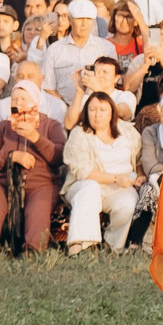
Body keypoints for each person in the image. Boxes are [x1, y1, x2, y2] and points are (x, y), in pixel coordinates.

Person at [0, 82, 65, 255]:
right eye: (14, 99)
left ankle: (33, 251)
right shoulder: (3, 127)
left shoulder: (50, 125)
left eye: (24, 98)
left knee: (39, 208)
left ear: (35, 101)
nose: (18, 102)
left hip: (42, 182)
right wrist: (12, 156)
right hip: (5, 182)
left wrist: (35, 137)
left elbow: (59, 157)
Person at [63, 91, 142, 254]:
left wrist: (139, 175)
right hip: (84, 186)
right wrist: (116, 178)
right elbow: (83, 171)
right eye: (92, 110)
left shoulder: (127, 132)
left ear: (112, 111)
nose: (97, 114)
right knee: (90, 187)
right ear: (86, 112)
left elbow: (139, 157)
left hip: (120, 187)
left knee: (129, 202)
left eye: (102, 109)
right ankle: (80, 246)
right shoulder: (79, 134)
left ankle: (112, 247)